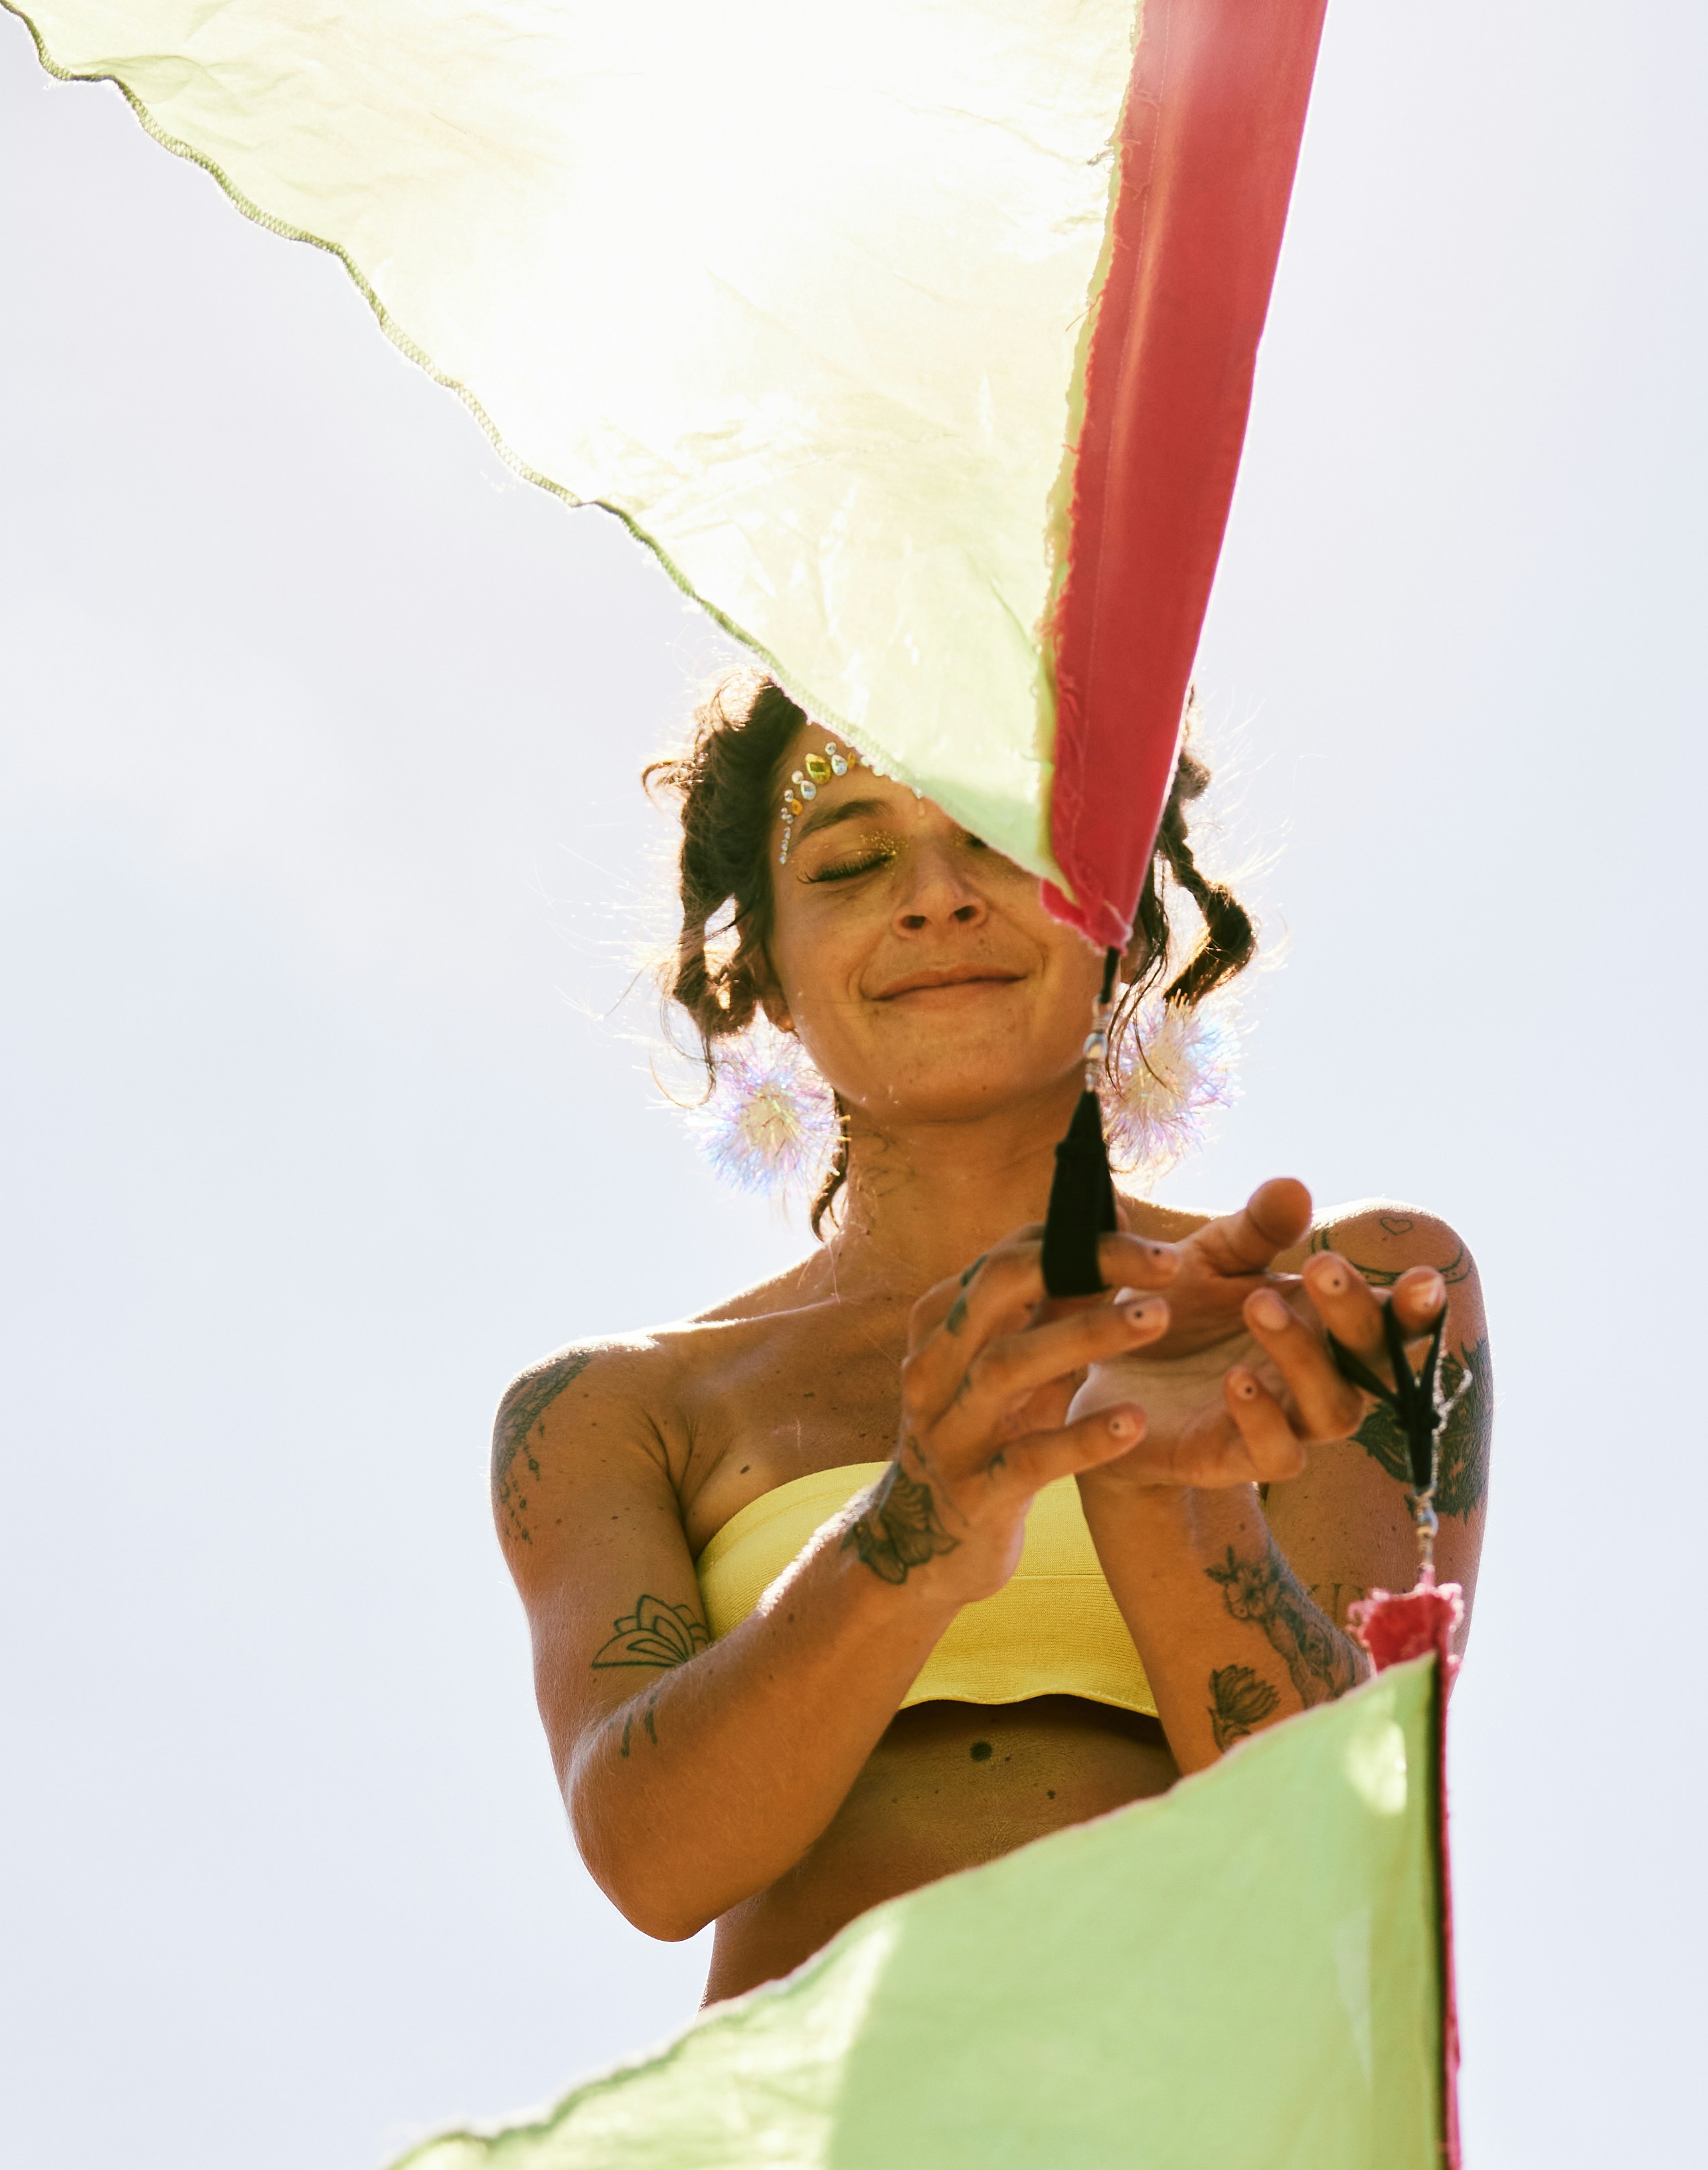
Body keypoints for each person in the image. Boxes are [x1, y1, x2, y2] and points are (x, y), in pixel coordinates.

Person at [492, 670, 1490, 2004]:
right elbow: (653, 1860)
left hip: (1224, 2153)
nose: (934, 896)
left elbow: (1352, 1839)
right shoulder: (613, 1410)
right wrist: (911, 1532)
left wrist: (1167, 1496)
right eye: (850, 861)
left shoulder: (1346, 1294)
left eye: (997, 838)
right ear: (767, 978)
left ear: (1122, 920)